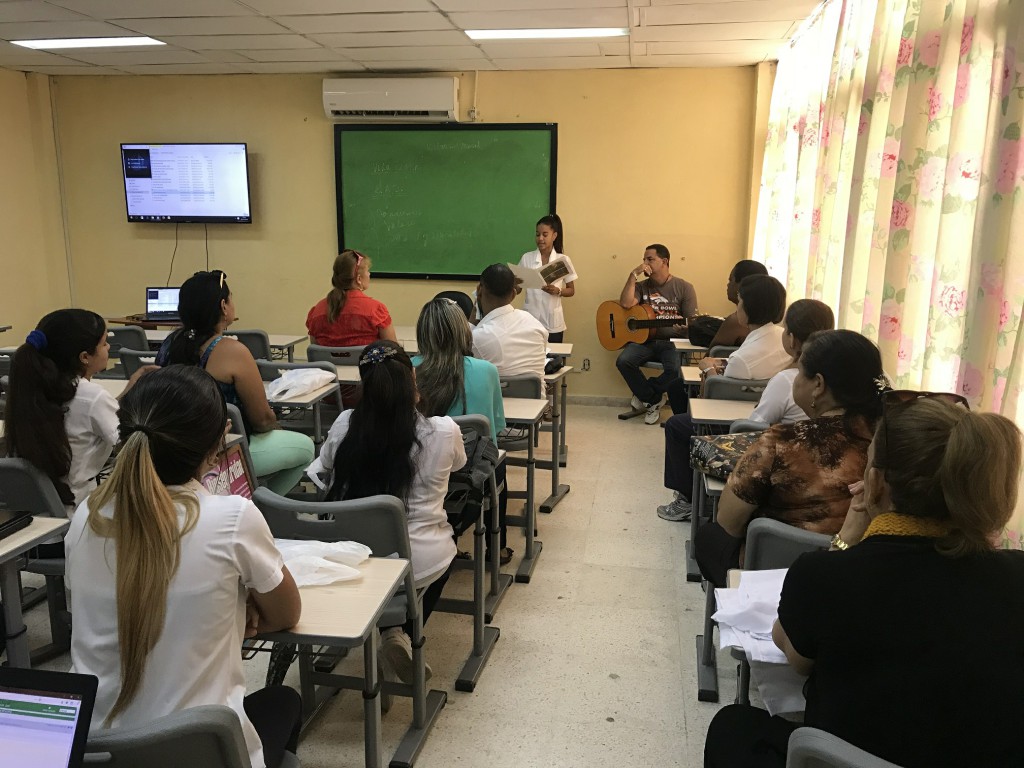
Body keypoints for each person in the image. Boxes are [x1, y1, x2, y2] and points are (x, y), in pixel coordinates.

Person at [705, 395, 1024, 768]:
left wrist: (846, 538)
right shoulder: (1016, 575)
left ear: (875, 483)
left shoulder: (827, 575)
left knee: (733, 727)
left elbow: (794, 654)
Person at [66, 365, 302, 768]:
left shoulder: (88, 515)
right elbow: (285, 614)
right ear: (219, 441)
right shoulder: (232, 518)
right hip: (202, 753)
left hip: (96, 751)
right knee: (284, 701)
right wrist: (235, 609)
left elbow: (93, 616)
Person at [310, 341, 466, 682]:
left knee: (389, 565)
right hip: (418, 560)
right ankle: (403, 632)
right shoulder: (443, 431)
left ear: (366, 384)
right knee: (446, 548)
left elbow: (321, 472)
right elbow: (460, 465)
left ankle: (390, 632)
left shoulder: (344, 425)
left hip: (350, 556)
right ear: (413, 377)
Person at [693, 330, 884, 586]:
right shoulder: (894, 439)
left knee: (710, 538)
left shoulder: (783, 441)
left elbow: (729, 522)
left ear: (818, 384)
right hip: (871, 575)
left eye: (798, 371)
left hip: (781, 575)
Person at [658, 299, 835, 523]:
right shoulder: (833, 376)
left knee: (678, 425)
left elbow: (752, 426)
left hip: (775, 458)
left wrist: (711, 371)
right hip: (811, 460)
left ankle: (688, 501)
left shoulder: (788, 380)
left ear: (790, 338)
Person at [156, 270, 314, 495]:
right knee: (306, 448)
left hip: (173, 451)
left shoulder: (169, 345)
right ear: (223, 306)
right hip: (223, 450)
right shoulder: (233, 351)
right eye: (231, 298)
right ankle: (260, 507)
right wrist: (277, 425)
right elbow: (261, 420)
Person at [3, 309, 153, 510]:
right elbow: (132, 444)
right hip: (78, 510)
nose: (108, 347)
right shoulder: (93, 397)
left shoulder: (34, 387)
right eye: (104, 343)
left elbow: (87, 415)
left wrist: (128, 390)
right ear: (85, 357)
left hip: (38, 510)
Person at [413, 297, 513, 563]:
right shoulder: (486, 370)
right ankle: (497, 547)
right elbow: (494, 433)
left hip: (417, 467)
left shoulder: (408, 369)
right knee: (499, 466)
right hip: (468, 475)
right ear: (463, 331)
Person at [667, 274, 790, 416]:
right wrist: (722, 361)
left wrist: (708, 369)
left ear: (750, 308)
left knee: (675, 425)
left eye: (740, 302)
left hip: (737, 417)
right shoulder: (783, 337)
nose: (737, 308)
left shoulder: (741, 359)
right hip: (767, 406)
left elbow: (716, 394)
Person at [615, 244, 698, 425]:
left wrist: (685, 329)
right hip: (645, 340)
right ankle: (653, 400)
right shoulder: (641, 286)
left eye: (650, 259)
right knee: (623, 361)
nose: (645, 263)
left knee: (675, 370)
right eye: (644, 259)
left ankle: (645, 393)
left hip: (672, 342)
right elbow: (626, 303)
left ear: (664, 261)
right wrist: (632, 275)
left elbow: (692, 321)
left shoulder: (684, 288)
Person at [305, 249, 397, 347]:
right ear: (358, 279)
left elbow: (316, 349)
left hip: (329, 363)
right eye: (367, 271)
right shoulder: (376, 310)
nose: (369, 274)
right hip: (365, 362)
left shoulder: (317, 312)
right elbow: (393, 350)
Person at [472, 263, 548, 379]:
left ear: (479, 291)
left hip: (496, 397)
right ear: (513, 294)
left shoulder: (478, 337)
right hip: (535, 397)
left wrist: (474, 312)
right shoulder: (535, 324)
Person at [517, 214, 577, 345]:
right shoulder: (526, 258)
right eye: (537, 234)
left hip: (553, 323)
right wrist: (513, 282)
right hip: (529, 321)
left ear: (554, 236)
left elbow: (571, 290)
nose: (540, 239)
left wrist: (558, 291)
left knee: (553, 362)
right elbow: (517, 290)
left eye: (545, 234)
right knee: (531, 361)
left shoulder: (562, 260)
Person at [705, 260, 769, 350]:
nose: (728, 285)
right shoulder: (770, 321)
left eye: (731, 280)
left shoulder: (736, 321)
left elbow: (711, 355)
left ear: (742, 284)